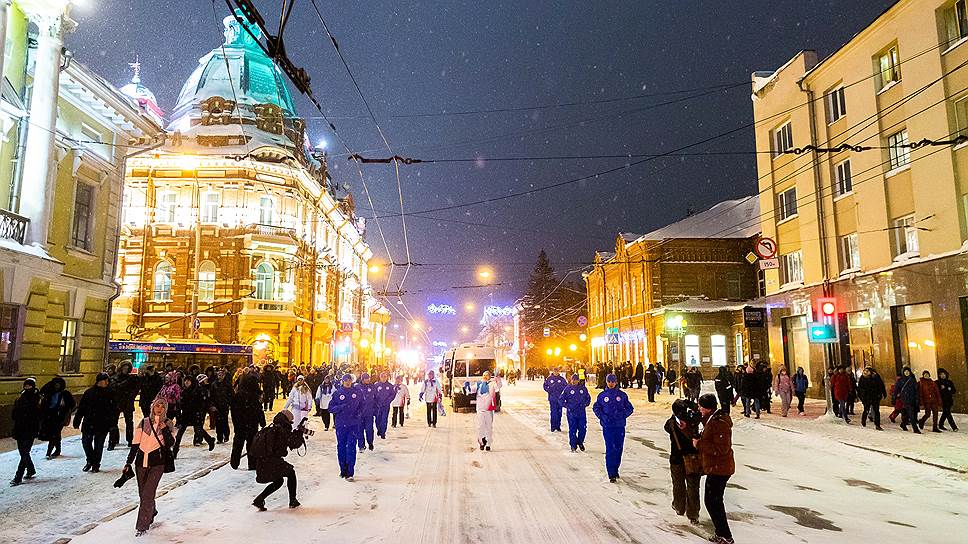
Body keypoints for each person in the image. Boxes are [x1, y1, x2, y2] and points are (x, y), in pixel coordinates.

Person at [124, 398, 175, 536]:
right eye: (157, 406)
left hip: (157, 464)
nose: (159, 409)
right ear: (152, 407)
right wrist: (128, 462)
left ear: (165, 409)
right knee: (143, 494)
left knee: (147, 494)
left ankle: (142, 526)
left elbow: (170, 443)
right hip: (140, 463)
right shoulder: (144, 422)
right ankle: (151, 511)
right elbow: (135, 444)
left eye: (162, 407)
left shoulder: (168, 423)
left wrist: (164, 429)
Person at [694, 394, 735, 544]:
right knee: (713, 501)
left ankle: (726, 535)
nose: (699, 409)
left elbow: (722, 448)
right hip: (716, 467)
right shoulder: (712, 420)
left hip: (720, 468)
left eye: (701, 406)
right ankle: (721, 533)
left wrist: (699, 444)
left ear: (708, 408)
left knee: (713, 502)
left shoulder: (719, 423)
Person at [252, 410, 306, 511]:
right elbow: (294, 444)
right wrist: (299, 433)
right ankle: (293, 501)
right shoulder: (282, 430)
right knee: (290, 472)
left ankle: (259, 500)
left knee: (278, 480)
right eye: (290, 422)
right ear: (286, 420)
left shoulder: (272, 427)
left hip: (262, 461)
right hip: (272, 461)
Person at [592, 374, 634, 483]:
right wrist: (603, 417)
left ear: (616, 382)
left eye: (613, 381)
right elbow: (596, 407)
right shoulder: (602, 396)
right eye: (609, 381)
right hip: (608, 426)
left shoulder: (622, 395)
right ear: (606, 382)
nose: (611, 383)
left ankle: (615, 469)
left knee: (619, 448)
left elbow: (629, 408)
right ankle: (611, 473)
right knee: (610, 448)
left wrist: (622, 415)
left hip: (619, 426)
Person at [665, 399, 701, 525]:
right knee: (693, 486)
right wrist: (691, 405)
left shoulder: (671, 423)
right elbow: (699, 413)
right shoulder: (693, 421)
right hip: (692, 457)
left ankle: (679, 506)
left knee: (678, 483)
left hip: (676, 457)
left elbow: (667, 426)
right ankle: (693, 513)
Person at [73, 372, 116, 473]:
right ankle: (90, 460)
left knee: (99, 444)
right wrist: (77, 420)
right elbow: (82, 407)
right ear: (100, 381)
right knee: (86, 443)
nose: (107, 382)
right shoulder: (89, 392)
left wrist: (112, 423)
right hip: (89, 422)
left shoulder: (110, 392)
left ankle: (96, 464)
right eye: (105, 380)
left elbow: (114, 409)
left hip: (103, 423)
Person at [327, 374, 363, 480]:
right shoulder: (337, 393)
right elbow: (330, 408)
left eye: (349, 380)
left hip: (353, 424)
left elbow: (362, 404)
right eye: (346, 380)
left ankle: (350, 472)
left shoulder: (356, 392)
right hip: (341, 425)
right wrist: (341, 407)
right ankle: (343, 470)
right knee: (341, 447)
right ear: (342, 381)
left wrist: (359, 414)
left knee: (351, 447)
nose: (348, 382)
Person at [230, 370, 266, 470]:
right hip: (250, 423)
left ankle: (235, 462)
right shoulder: (253, 395)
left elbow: (234, 411)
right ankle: (251, 464)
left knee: (239, 444)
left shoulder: (240, 395)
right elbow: (259, 410)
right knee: (251, 444)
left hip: (243, 424)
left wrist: (236, 423)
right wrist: (261, 421)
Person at [173, 374, 215, 458]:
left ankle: (210, 441)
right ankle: (175, 450)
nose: (186, 382)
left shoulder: (197, 390)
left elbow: (201, 403)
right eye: (185, 381)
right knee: (180, 434)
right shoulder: (184, 391)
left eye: (188, 381)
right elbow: (181, 403)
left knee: (199, 430)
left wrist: (199, 411)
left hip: (195, 414)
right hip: (185, 415)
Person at [10, 378, 40, 486]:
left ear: (33, 386)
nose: (27, 387)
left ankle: (18, 476)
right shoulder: (20, 398)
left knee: (25, 452)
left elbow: (38, 416)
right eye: (26, 386)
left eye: (29, 386)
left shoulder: (36, 399)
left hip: (30, 429)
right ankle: (31, 469)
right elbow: (14, 415)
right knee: (22, 452)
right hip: (20, 429)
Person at [38, 376, 75, 459]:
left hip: (59, 417)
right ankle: (56, 450)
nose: (56, 386)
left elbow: (72, 405)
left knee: (55, 433)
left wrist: (66, 411)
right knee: (54, 434)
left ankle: (50, 451)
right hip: (50, 416)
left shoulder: (65, 394)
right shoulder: (49, 392)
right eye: (55, 384)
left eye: (58, 384)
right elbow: (43, 394)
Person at [109, 362, 140, 451]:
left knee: (129, 422)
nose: (125, 370)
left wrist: (132, 396)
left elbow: (136, 389)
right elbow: (115, 387)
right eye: (124, 368)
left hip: (127, 403)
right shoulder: (116, 377)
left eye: (127, 368)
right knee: (114, 423)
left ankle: (130, 440)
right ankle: (113, 441)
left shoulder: (132, 378)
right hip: (117, 403)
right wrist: (127, 382)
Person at [559, 373, 590, 452]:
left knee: (583, 429)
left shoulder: (583, 389)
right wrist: (567, 406)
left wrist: (585, 404)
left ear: (578, 380)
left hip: (581, 413)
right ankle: (573, 445)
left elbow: (588, 398)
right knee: (572, 429)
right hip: (571, 413)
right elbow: (561, 399)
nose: (573, 381)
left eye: (575, 380)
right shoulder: (567, 389)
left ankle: (580, 442)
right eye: (572, 380)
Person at [892, 367, 920, 433]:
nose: (906, 373)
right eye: (905, 372)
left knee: (908, 413)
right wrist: (894, 398)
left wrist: (917, 398)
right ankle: (915, 428)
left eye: (908, 371)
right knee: (911, 414)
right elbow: (896, 390)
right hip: (905, 399)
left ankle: (903, 424)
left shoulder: (912, 380)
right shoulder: (900, 380)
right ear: (903, 373)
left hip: (912, 399)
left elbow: (916, 390)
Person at [355, 373, 378, 451]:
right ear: (362, 379)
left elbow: (376, 399)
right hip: (359, 414)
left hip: (369, 413)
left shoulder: (372, 387)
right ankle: (361, 445)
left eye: (368, 378)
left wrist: (375, 410)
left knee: (369, 429)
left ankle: (370, 443)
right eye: (366, 378)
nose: (367, 380)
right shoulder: (357, 387)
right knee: (359, 430)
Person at [211, 368, 234, 444]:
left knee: (224, 421)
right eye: (219, 375)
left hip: (224, 405)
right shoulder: (214, 384)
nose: (220, 376)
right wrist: (213, 405)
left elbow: (231, 395)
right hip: (217, 405)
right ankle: (219, 437)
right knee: (218, 422)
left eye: (222, 375)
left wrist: (229, 403)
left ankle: (226, 435)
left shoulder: (227, 384)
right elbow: (212, 396)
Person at [475, 371, 496, 451]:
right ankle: (482, 441)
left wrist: (498, 378)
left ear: (490, 376)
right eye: (484, 375)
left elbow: (499, 386)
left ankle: (488, 444)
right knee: (480, 426)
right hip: (480, 409)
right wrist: (467, 386)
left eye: (487, 375)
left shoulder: (492, 384)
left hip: (488, 409)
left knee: (489, 427)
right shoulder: (479, 384)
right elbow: (470, 390)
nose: (485, 376)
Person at [374, 372, 395, 439]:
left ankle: (383, 432)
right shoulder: (376, 385)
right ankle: (379, 429)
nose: (383, 378)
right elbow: (373, 394)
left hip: (386, 406)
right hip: (378, 406)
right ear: (380, 377)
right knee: (378, 419)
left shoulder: (390, 386)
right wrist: (376, 402)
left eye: (385, 376)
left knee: (384, 419)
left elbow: (392, 395)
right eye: (382, 376)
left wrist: (388, 401)